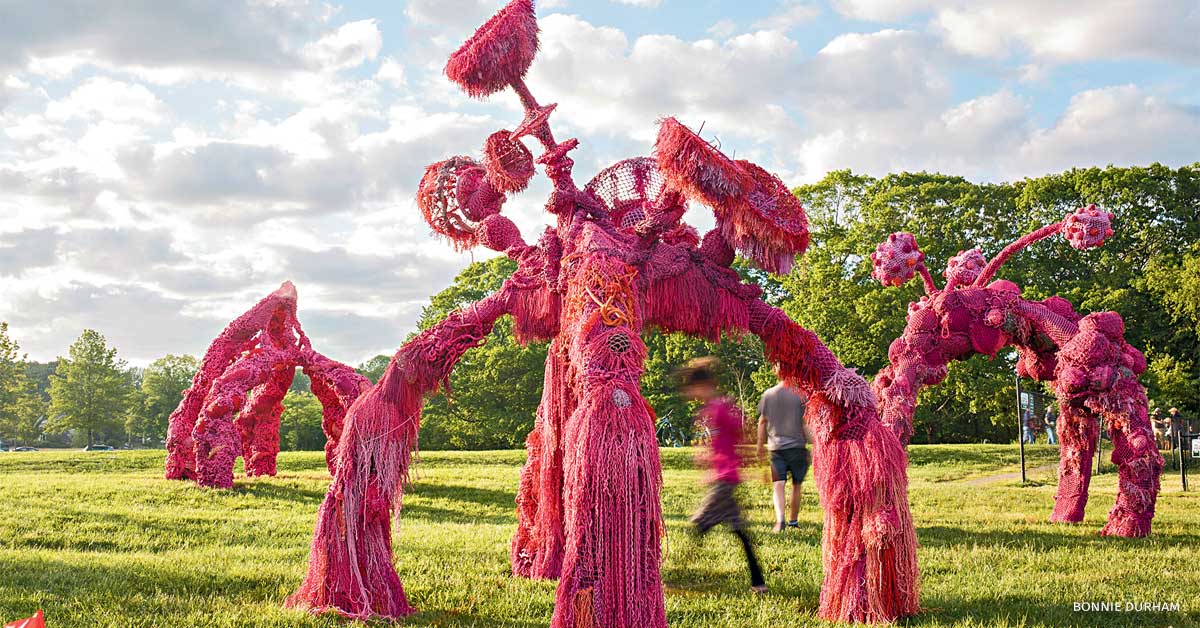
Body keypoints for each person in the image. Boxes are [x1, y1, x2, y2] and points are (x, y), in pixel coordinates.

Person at [678, 357, 767, 594]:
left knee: (701, 523)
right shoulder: (710, 411)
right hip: (724, 477)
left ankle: (678, 572)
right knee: (738, 530)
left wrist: (738, 461)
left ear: (705, 385)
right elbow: (724, 441)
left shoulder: (719, 408)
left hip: (725, 479)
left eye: (694, 387)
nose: (692, 393)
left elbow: (741, 432)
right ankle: (758, 583)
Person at [756, 367, 811, 533]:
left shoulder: (768, 395)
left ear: (776, 373)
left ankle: (780, 521)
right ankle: (793, 522)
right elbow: (805, 423)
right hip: (797, 447)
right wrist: (815, 442)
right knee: (796, 486)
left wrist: (760, 445)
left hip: (776, 448)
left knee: (778, 485)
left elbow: (762, 422)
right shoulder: (800, 395)